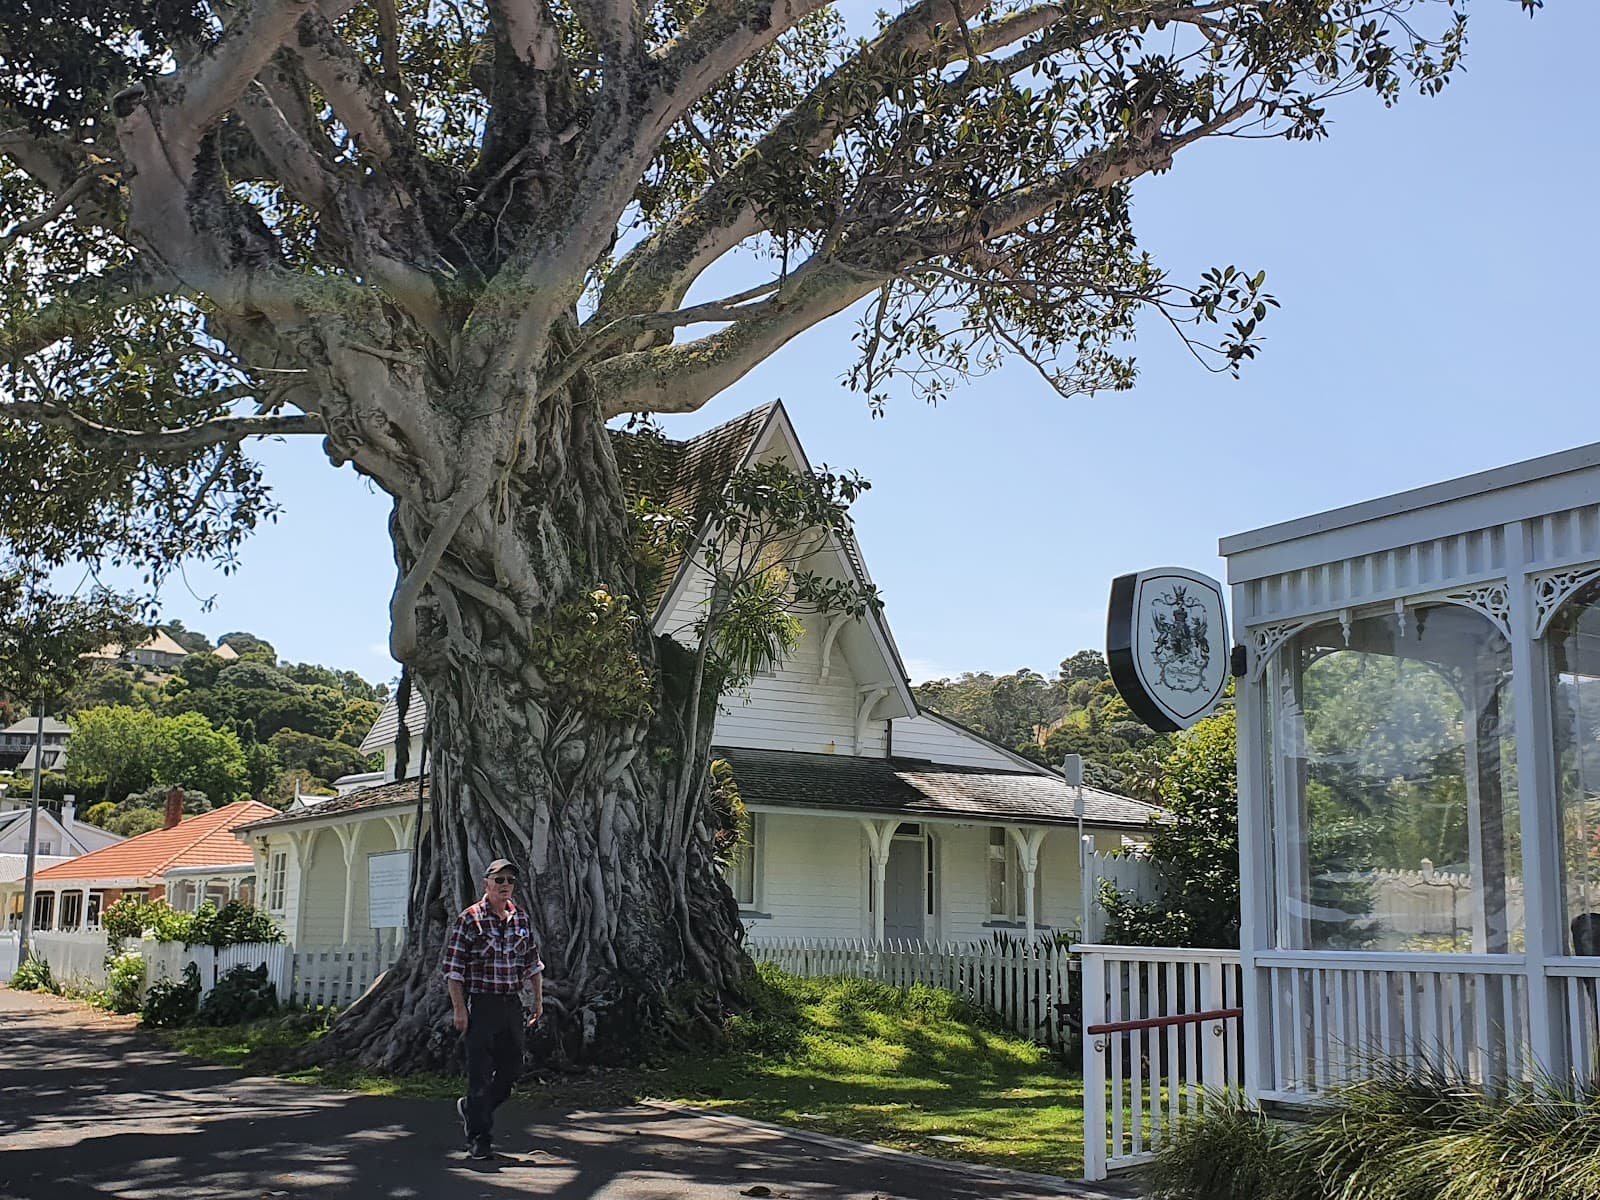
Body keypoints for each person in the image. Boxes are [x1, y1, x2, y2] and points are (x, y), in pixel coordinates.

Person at [442, 857, 544, 1160]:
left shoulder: (521, 919)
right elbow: (454, 970)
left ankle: (472, 1109)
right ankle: (480, 1138)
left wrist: (538, 1000)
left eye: (510, 881)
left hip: (511, 1004)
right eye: (499, 880)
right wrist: (460, 1009)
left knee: (512, 1069)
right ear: (486, 883)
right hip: (482, 1004)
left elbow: (532, 964)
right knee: (480, 1073)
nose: (505, 886)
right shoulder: (469, 919)